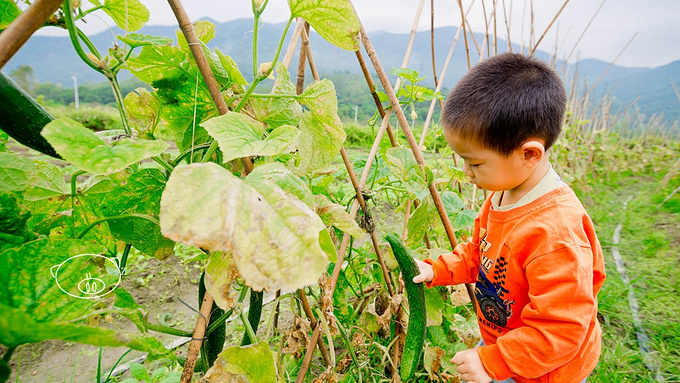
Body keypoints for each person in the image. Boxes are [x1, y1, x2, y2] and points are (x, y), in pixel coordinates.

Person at [412, 52, 606, 383]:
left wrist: (494, 362)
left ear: (529, 154)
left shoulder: (555, 234)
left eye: (474, 163)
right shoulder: (502, 195)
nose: (466, 173)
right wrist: (437, 269)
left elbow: (560, 329)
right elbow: (480, 252)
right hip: (509, 347)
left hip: (546, 369)